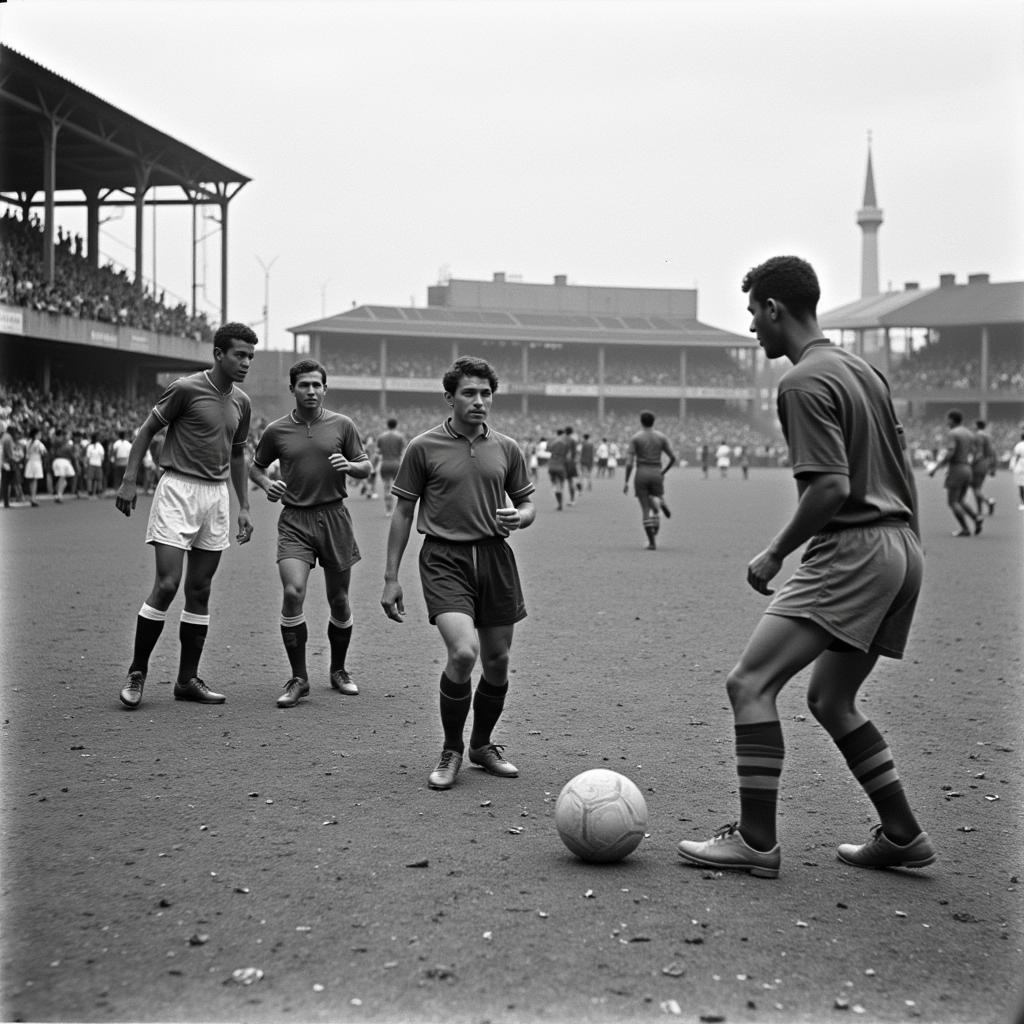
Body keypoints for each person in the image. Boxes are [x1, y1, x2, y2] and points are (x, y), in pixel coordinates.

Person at [677, 255, 933, 879]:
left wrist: (774, 552)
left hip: (854, 549)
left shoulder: (801, 381)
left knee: (750, 684)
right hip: (901, 546)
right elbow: (901, 472)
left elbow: (828, 489)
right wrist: (907, 552)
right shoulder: (864, 370)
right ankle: (902, 834)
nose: (752, 329)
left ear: (774, 309)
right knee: (832, 697)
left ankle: (756, 843)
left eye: (753, 315)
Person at [380, 355, 536, 791]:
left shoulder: (507, 448)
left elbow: (528, 503)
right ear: (450, 397)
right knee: (464, 653)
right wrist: (390, 578)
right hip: (444, 559)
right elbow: (404, 511)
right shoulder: (422, 447)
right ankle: (451, 748)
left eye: (486, 394)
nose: (480, 401)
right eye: (470, 393)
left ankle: (482, 746)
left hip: (495, 559)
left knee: (498, 661)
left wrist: (520, 517)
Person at [114, 322, 258, 709]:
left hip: (216, 496)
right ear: (218, 354)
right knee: (167, 583)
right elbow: (146, 431)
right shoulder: (185, 388)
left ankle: (186, 679)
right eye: (239, 355)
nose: (245, 362)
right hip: (177, 488)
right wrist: (129, 479)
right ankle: (137, 671)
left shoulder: (242, 402)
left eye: (250, 356)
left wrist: (243, 505)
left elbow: (238, 454)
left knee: (200, 590)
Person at [250, 359, 371, 708]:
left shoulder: (342, 425)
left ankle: (338, 670)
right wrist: (267, 484)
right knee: (293, 591)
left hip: (335, 517)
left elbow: (366, 466)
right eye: (304, 385)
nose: (311, 391)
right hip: (295, 520)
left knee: (339, 600)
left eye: (317, 385)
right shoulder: (276, 431)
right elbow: (256, 468)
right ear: (293, 389)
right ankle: (299, 678)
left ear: (325, 388)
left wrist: (351, 466)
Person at [622, 410, 677, 550]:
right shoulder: (661, 437)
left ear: (641, 421)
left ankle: (652, 543)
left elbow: (629, 462)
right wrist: (664, 471)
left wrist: (626, 481)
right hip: (656, 472)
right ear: (654, 421)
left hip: (642, 472)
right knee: (655, 502)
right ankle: (660, 503)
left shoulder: (636, 438)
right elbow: (673, 458)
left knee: (645, 509)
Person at [927, 409, 982, 536]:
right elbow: (975, 452)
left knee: (952, 502)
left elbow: (951, 452)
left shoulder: (953, 433)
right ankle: (976, 518)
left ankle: (965, 529)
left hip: (957, 468)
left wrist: (936, 468)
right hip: (967, 469)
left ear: (952, 419)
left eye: (947, 419)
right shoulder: (969, 433)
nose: (946, 422)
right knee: (961, 500)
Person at [375, 417, 407, 517]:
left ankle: (388, 510)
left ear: (387, 425)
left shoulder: (381, 437)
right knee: (398, 488)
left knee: (386, 487)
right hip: (396, 464)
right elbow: (403, 451)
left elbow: (378, 452)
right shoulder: (400, 437)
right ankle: (396, 509)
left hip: (385, 463)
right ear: (396, 425)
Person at [969, 419, 996, 517]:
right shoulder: (988, 436)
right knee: (978, 488)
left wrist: (970, 464)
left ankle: (988, 501)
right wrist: (993, 467)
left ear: (977, 425)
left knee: (975, 488)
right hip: (986, 463)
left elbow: (979, 453)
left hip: (978, 464)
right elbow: (993, 452)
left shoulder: (978, 436)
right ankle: (979, 510)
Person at [51, 429, 76, 502]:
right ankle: (59, 495)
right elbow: (70, 453)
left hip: (62, 462)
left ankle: (57, 494)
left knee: (64, 480)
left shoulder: (64, 443)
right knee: (62, 478)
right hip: (61, 461)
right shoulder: (61, 443)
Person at [23, 427, 46, 507]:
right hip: (36, 462)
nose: (40, 435)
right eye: (39, 434)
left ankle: (32, 497)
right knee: (35, 481)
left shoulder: (28, 442)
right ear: (36, 435)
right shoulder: (38, 443)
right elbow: (44, 452)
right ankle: (33, 498)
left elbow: (26, 454)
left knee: (31, 481)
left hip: (30, 462)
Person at [546, 428, 569, 510]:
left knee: (555, 485)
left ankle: (559, 503)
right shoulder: (565, 443)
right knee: (561, 486)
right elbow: (566, 456)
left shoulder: (552, 442)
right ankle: (560, 503)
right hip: (560, 466)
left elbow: (548, 450)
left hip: (552, 465)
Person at [85, 432, 105, 498]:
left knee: (90, 479)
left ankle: (90, 492)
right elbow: (102, 456)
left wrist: (86, 464)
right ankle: (99, 492)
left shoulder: (89, 446)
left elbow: (88, 457)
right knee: (99, 479)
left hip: (91, 464)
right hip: (98, 464)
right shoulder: (100, 446)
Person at [1010, 425, 1024, 510]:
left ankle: (1022, 502)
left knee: (1021, 485)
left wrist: (1012, 466)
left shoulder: (1019, 445)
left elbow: (1016, 457)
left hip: (1021, 466)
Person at [1, 421, 14, 508]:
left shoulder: (3, 438)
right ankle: (6, 501)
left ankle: (6, 500)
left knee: (5, 482)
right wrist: (11, 461)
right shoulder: (7, 438)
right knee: (6, 482)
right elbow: (9, 452)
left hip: (3, 462)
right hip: (6, 463)